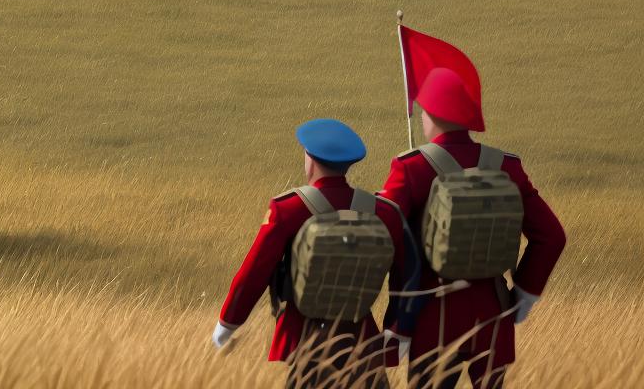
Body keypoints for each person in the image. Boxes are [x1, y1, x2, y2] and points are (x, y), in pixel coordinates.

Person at [380, 69, 565, 389]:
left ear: (432, 115)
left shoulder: (411, 167)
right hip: (493, 316)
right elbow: (551, 237)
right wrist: (523, 294)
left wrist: (397, 316)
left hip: (431, 318)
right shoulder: (507, 167)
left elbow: (383, 239)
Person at [213, 119, 420, 389]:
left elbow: (253, 274)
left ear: (310, 159)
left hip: (303, 343)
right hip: (363, 343)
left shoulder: (287, 209)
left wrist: (227, 325)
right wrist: (398, 331)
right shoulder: (385, 212)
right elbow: (408, 276)